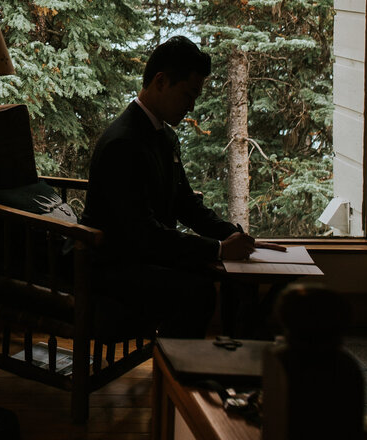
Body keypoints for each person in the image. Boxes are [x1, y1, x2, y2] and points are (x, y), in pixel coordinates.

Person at [81, 35, 281, 338]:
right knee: (197, 291)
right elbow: (140, 233)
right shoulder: (122, 143)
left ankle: (234, 361)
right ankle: (175, 374)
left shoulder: (162, 134)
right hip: (114, 264)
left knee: (229, 280)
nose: (191, 106)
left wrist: (230, 233)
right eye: (188, 94)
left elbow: (185, 203)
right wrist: (217, 249)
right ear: (161, 81)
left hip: (142, 253)